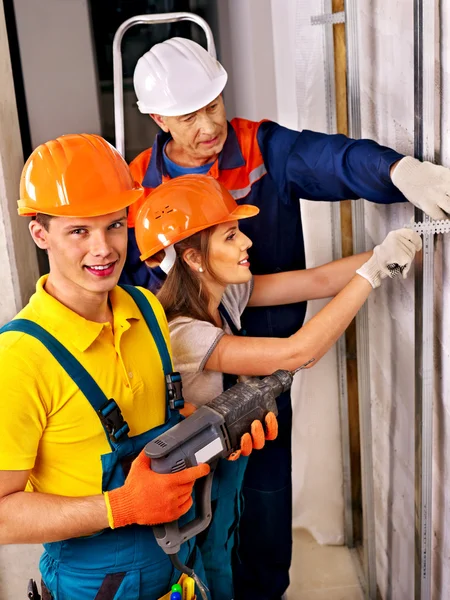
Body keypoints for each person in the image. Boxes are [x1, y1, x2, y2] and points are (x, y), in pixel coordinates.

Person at [121, 37, 446, 599]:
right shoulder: (140, 195)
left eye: (214, 104)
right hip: (194, 393)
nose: (209, 125)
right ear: (157, 118)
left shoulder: (257, 155)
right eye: (189, 114)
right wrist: (371, 274)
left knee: (267, 506)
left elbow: (331, 174)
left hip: (262, 384)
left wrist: (398, 175)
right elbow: (135, 304)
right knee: (206, 529)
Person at [133, 174, 422, 600]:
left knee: (228, 560)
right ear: (194, 259)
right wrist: (374, 273)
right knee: (208, 576)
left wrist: (391, 247)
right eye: (230, 236)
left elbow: (317, 281)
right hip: (189, 493)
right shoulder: (183, 333)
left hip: (222, 473)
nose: (246, 243)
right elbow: (297, 353)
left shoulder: (223, 297)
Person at [0, 134, 217, 600]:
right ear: (41, 235)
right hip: (94, 581)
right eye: (79, 231)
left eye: (115, 226)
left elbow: (161, 420)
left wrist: (214, 433)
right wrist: (123, 505)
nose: (104, 249)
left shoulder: (145, 308)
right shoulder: (20, 357)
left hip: (179, 558)